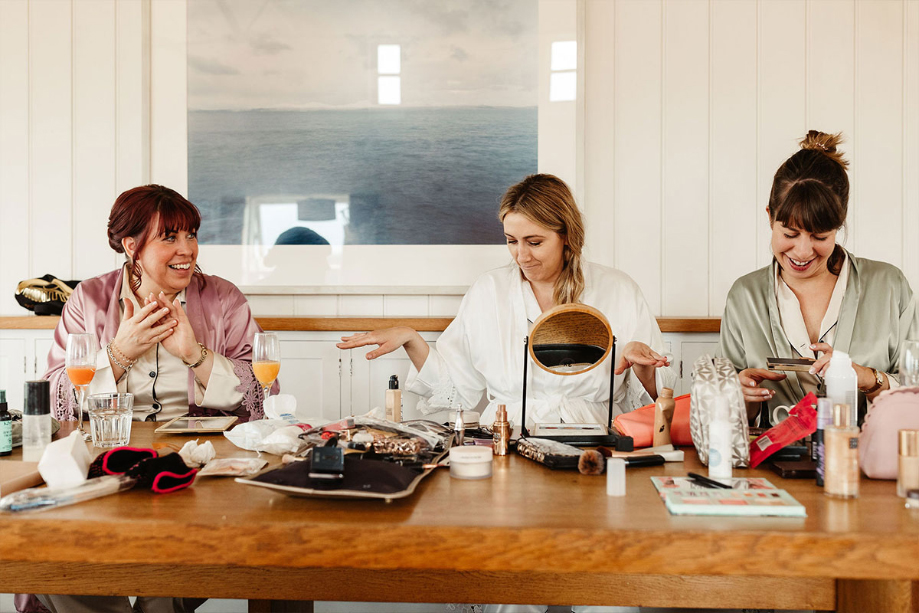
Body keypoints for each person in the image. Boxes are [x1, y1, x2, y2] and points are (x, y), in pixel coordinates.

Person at [33, 184, 276, 613]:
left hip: (195, 469)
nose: (187, 250)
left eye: (191, 235)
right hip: (103, 464)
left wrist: (196, 355)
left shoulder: (223, 299)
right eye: (170, 237)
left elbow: (263, 395)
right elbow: (54, 397)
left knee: (168, 573)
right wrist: (118, 354)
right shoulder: (88, 300)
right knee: (57, 559)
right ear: (132, 246)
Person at [338, 173, 676, 437]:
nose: (521, 256)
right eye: (511, 241)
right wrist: (411, 338)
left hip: (596, 442)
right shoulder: (489, 291)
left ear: (567, 236)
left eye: (534, 242)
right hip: (507, 439)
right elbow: (458, 388)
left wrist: (643, 368)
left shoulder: (618, 290)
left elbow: (656, 400)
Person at [719, 130, 919, 423]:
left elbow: (914, 397)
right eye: (790, 234)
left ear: (838, 225)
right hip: (772, 453)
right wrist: (741, 396)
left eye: (819, 236)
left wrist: (869, 379)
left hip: (869, 452)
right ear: (770, 217)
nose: (802, 251)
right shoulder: (744, 296)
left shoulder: (889, 286)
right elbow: (723, 415)